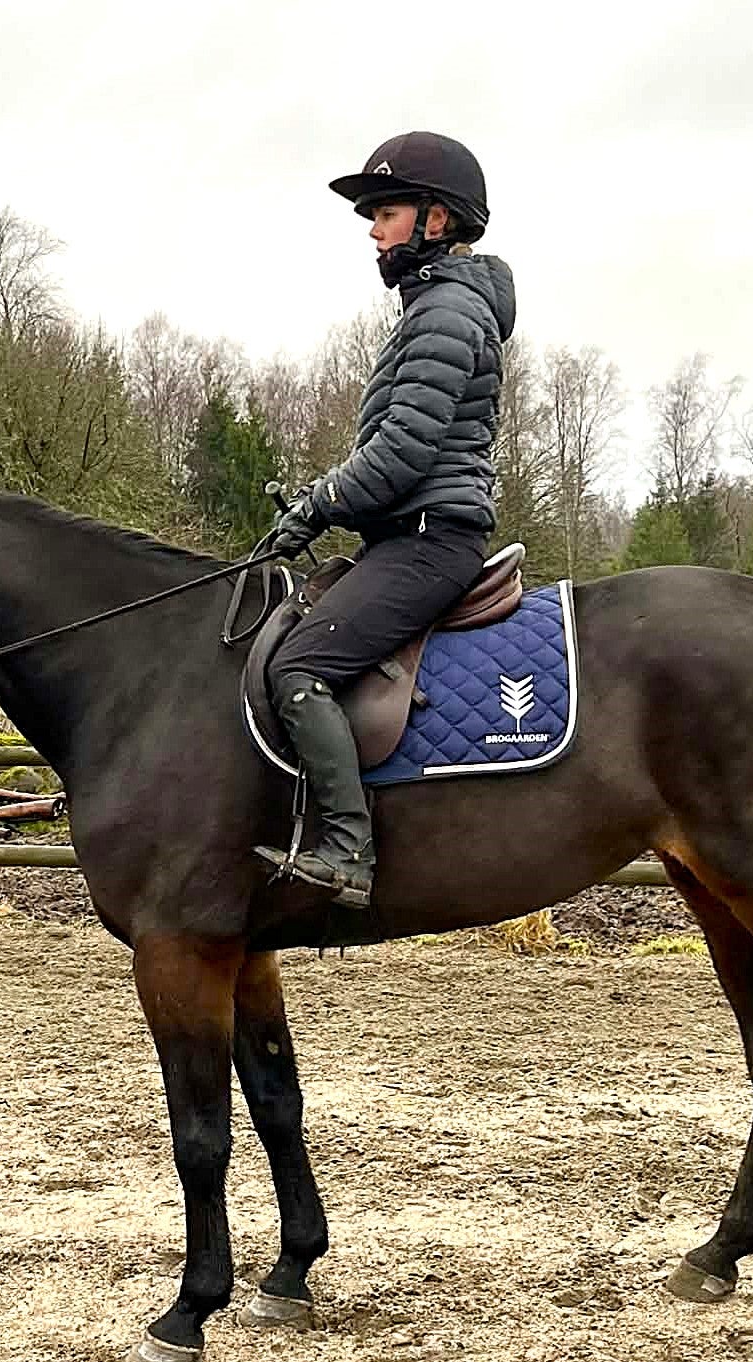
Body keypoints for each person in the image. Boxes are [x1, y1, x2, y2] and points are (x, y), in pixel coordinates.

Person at [255, 131, 517, 909]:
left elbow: (403, 452)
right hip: (411, 533)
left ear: (437, 219)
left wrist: (317, 505)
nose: (373, 230)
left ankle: (348, 851)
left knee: (297, 669)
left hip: (431, 539)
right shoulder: (434, 307)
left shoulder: (446, 309)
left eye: (386, 211)